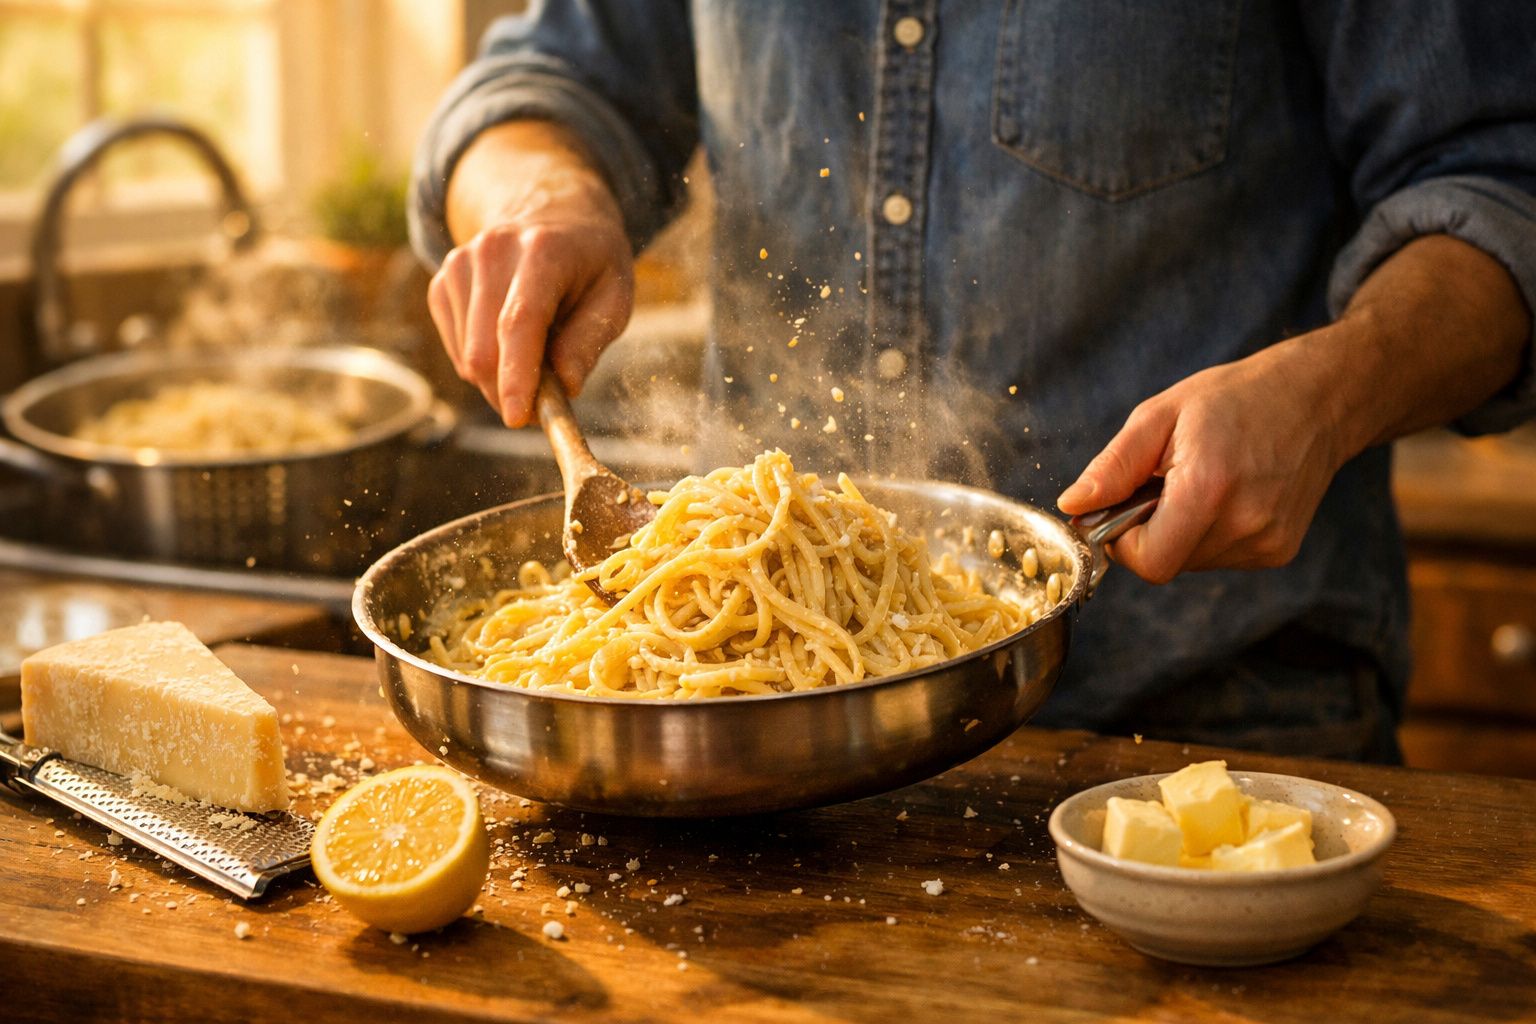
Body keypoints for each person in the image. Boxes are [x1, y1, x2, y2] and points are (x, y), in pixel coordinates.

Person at [408, 2, 1536, 762]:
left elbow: (1498, 182)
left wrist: (1328, 393)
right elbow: (546, 78)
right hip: (727, 731)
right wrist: (538, 197)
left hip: (1208, 717)